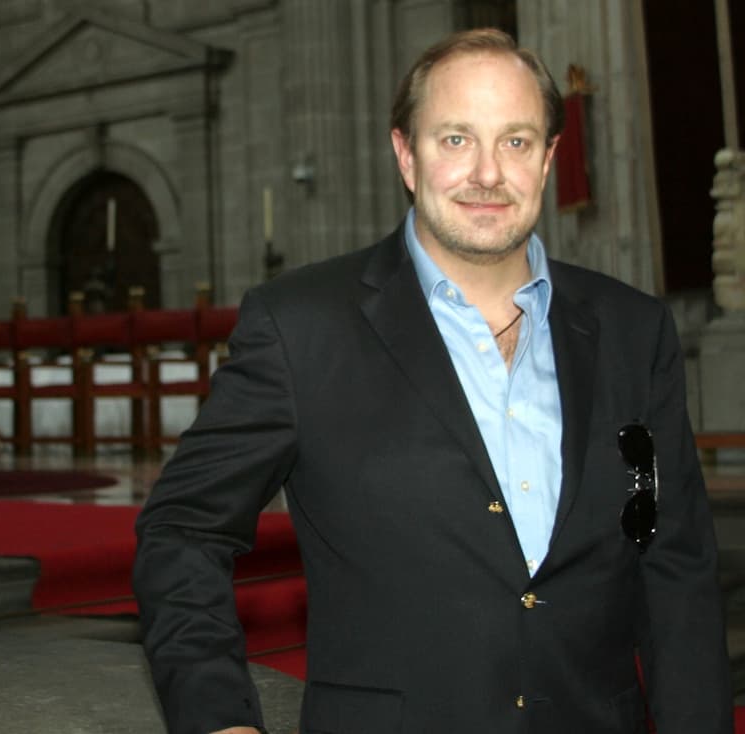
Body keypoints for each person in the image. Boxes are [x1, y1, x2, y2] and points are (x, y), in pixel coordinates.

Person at [133, 28, 731, 734]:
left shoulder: (634, 331)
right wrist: (218, 720)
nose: (486, 172)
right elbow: (182, 530)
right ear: (405, 155)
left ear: (548, 159)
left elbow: (672, 562)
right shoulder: (301, 328)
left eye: (515, 141)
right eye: (454, 139)